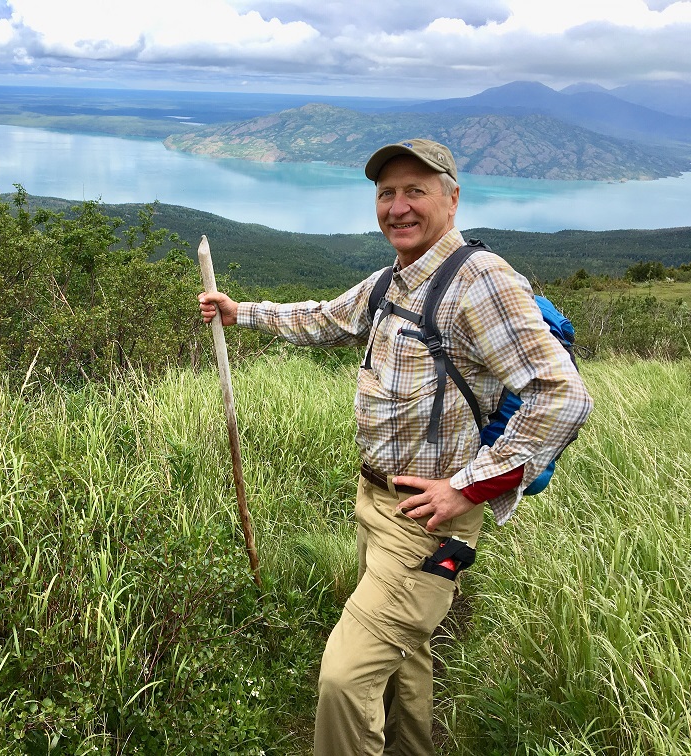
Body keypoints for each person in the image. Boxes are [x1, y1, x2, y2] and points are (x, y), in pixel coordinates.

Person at [198, 138, 593, 755]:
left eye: (416, 191)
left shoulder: (479, 282)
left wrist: (466, 487)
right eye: (387, 193)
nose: (398, 207)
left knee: (344, 677)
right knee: (403, 660)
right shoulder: (397, 280)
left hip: (427, 523)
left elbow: (561, 396)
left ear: (452, 198)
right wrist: (240, 311)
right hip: (376, 503)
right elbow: (329, 317)